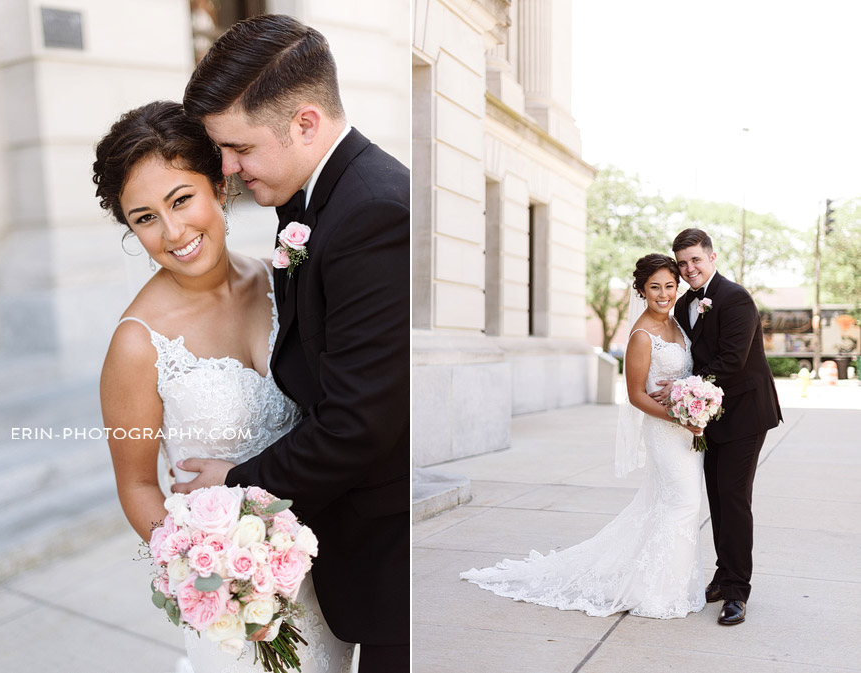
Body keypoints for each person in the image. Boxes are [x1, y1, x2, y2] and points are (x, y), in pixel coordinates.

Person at [169, 14, 410, 672]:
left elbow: (359, 423)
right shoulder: (311, 202)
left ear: (306, 122)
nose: (228, 171)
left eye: (238, 148)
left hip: (392, 565)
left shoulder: (374, 213)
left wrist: (237, 483)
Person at [94, 100, 355, 672]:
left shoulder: (282, 278)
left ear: (218, 184)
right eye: (144, 218)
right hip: (235, 604)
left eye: (181, 199)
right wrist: (217, 585)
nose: (173, 231)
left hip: (328, 574)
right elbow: (138, 486)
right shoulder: (136, 345)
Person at [461, 254, 706, 619]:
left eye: (669, 286)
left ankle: (663, 582)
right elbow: (637, 395)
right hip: (666, 431)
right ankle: (656, 592)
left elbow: (684, 374)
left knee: (670, 505)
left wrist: (691, 398)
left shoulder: (677, 325)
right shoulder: (641, 335)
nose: (663, 294)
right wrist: (679, 415)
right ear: (641, 290)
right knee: (684, 504)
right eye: (654, 287)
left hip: (686, 432)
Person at [652, 228, 782, 626]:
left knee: (734, 499)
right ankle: (724, 576)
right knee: (717, 497)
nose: (689, 267)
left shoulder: (735, 297)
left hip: (745, 414)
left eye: (696, 259)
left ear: (712, 258)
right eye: (683, 261)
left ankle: (738, 592)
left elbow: (732, 361)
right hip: (708, 415)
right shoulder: (685, 303)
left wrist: (681, 389)